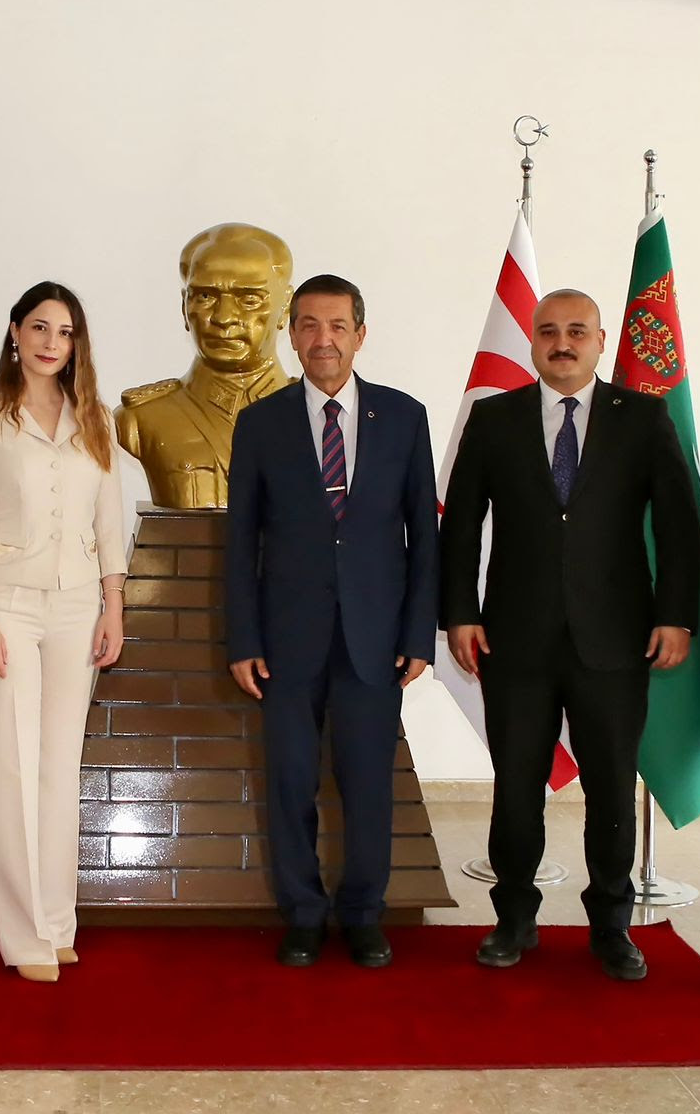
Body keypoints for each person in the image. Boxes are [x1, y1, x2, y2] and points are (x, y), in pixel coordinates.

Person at [440, 288, 698, 982]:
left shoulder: (642, 418)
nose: (562, 343)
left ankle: (611, 926)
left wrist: (676, 616)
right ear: (532, 341)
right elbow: (459, 522)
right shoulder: (494, 418)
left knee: (611, 790)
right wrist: (459, 612)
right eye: (549, 331)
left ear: (601, 340)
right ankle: (513, 919)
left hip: (616, 640)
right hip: (513, 639)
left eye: (577, 331)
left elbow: (679, 524)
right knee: (516, 786)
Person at [225, 274, 438, 968]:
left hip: (375, 640)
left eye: (338, 325)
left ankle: (364, 914)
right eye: (310, 325)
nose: (324, 339)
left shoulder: (404, 417)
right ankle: (303, 913)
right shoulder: (261, 423)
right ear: (291, 334)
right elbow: (241, 540)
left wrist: (419, 634)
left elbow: (423, 536)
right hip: (285, 641)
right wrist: (243, 638)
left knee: (368, 785)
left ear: (360, 335)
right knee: (289, 782)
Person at [0, 281, 126, 982]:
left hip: (79, 607)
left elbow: (108, 520)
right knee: (11, 768)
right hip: (5, 607)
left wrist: (113, 605)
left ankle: (56, 922)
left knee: (58, 770)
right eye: (41, 328)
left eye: (66, 331)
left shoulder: (94, 420)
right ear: (15, 333)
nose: (53, 342)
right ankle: (22, 935)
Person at [116, 223, 295, 508]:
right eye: (205, 297)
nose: (224, 318)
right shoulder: (141, 419)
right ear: (184, 307)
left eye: (249, 299)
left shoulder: (316, 417)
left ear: (286, 308)